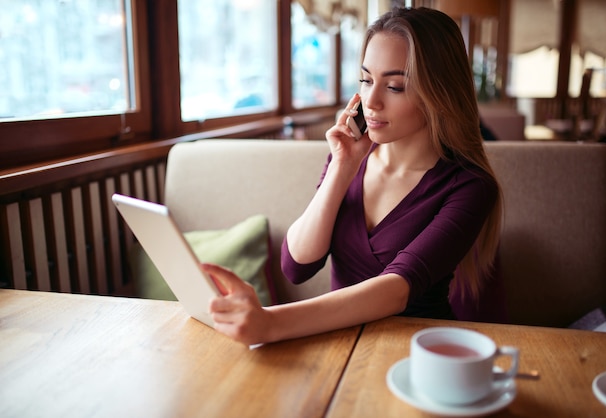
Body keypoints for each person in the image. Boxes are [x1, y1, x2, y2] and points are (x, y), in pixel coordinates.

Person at [204, 7, 503, 345]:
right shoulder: (351, 158)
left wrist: (270, 322)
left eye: (394, 87)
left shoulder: (470, 186)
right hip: (336, 343)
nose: (371, 100)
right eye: (365, 79)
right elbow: (297, 265)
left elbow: (396, 290)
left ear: (439, 94)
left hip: (417, 351)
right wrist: (341, 168)